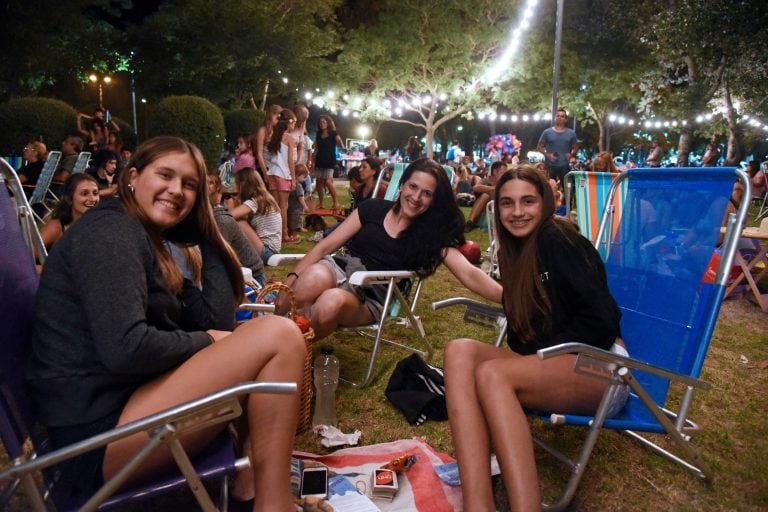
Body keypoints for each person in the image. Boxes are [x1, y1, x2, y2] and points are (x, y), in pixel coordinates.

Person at [26, 136, 305, 510]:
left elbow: (214, 317)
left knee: (261, 342)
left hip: (122, 407)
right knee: (279, 335)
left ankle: (249, 489)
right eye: (165, 175)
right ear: (133, 177)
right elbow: (127, 348)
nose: (177, 190)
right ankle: (274, 505)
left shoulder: (146, 238)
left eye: (190, 185)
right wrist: (206, 340)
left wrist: (206, 225)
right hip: (94, 438)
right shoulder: (110, 233)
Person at [444, 164, 626, 512]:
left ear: (545, 203)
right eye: (508, 203)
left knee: (493, 374)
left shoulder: (558, 239)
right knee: (460, 351)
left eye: (528, 201)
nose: (517, 212)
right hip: (559, 365)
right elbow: (521, 337)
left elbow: (603, 321)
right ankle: (477, 504)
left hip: (601, 370)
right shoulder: (515, 250)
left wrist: (545, 347)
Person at [282, 158, 502, 341]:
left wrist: (511, 298)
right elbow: (325, 246)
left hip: (370, 295)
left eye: (427, 193)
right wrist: (290, 281)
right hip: (340, 268)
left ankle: (293, 353)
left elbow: (470, 274)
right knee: (307, 281)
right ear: (402, 185)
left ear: (434, 200)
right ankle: (277, 339)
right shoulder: (372, 209)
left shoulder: (431, 236)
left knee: (329, 303)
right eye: (413, 187)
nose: (416, 197)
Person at [207, 173, 267, 287]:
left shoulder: (221, 220)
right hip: (236, 272)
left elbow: (220, 260)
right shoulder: (211, 217)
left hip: (251, 278)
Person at [230, 167, 284, 264]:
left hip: (267, 252)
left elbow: (229, 216)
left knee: (239, 222)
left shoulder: (256, 201)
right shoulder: (264, 198)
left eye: (237, 184)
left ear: (243, 184)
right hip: (270, 251)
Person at [40, 173, 100, 250]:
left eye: (95, 193)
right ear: (69, 199)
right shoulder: (56, 227)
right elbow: (25, 257)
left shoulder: (101, 225)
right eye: (84, 194)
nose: (92, 199)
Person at [265, 108, 298, 243]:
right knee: (283, 206)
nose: (294, 126)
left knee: (274, 206)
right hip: (283, 174)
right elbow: (290, 160)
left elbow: (268, 157)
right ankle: (284, 235)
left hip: (272, 172)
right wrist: (294, 179)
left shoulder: (273, 137)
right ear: (289, 123)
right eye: (293, 122)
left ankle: (274, 233)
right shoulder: (289, 138)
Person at [311, 114, 345, 210]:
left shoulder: (333, 133)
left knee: (328, 182)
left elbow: (339, 142)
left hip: (330, 160)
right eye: (320, 122)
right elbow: (316, 148)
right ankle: (321, 203)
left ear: (328, 123)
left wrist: (343, 148)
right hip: (319, 160)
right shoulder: (318, 134)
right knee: (319, 183)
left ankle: (336, 202)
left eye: (324, 122)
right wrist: (312, 162)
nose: (322, 124)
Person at [537, 107, 579, 184]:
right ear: (555, 118)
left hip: (565, 166)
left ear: (566, 120)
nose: (559, 117)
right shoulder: (547, 132)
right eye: (558, 116)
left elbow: (576, 147)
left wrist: (571, 154)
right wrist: (548, 155)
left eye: (562, 116)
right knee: (548, 186)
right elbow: (539, 147)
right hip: (549, 165)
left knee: (567, 188)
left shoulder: (571, 133)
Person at [464, 161, 507, 232]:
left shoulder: (506, 182)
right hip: (485, 212)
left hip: (498, 212)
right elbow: (475, 188)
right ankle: (470, 222)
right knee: (485, 195)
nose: (505, 175)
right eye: (503, 173)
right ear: (495, 172)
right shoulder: (486, 180)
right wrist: (494, 188)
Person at [251, 104, 282, 181]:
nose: (278, 118)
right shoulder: (263, 130)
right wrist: (265, 172)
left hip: (275, 167)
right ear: (270, 115)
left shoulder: (277, 131)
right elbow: (259, 153)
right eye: (276, 115)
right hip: (265, 166)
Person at [287, 163, 310, 239]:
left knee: (289, 222)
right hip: (296, 209)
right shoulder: (299, 186)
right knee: (294, 223)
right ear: (297, 175)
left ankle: (289, 234)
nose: (305, 179)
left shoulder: (289, 183)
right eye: (304, 177)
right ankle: (292, 236)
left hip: (288, 207)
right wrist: (305, 206)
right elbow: (300, 198)